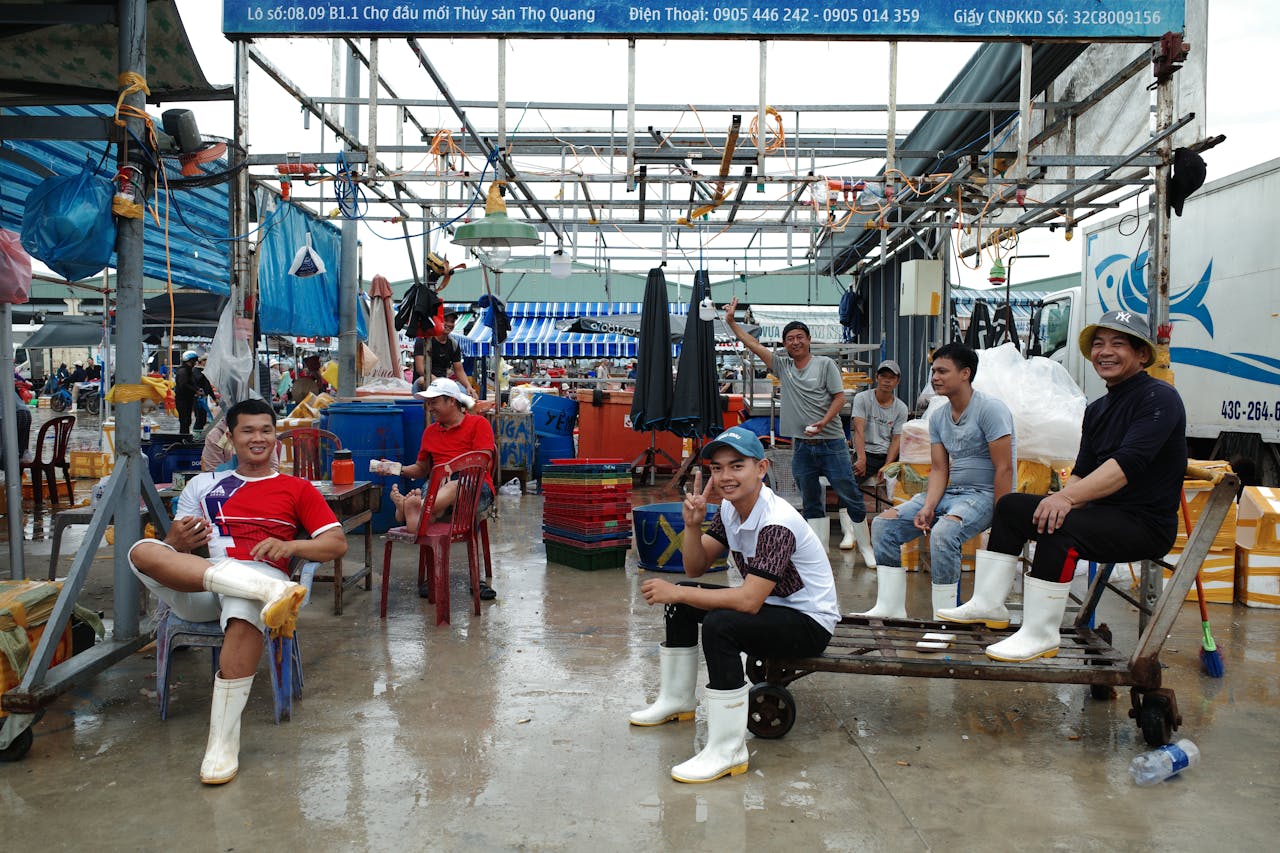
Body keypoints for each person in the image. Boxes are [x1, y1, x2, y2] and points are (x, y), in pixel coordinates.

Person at [940, 311, 1186, 661]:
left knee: (1060, 528)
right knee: (1011, 507)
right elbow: (1083, 470)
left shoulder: (1158, 398)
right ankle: (990, 604)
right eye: (1098, 344)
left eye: (1118, 344)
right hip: (1102, 514)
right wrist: (1062, 498)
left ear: (1142, 354)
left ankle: (1041, 633)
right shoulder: (1098, 408)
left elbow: (1125, 467)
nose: (1105, 352)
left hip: (1143, 524)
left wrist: (1066, 499)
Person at [128, 398, 348, 784]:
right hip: (205, 584)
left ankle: (222, 744)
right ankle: (260, 589)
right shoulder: (201, 485)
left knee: (245, 606)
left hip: (255, 582)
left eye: (266, 430)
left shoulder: (296, 489)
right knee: (141, 551)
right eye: (248, 430)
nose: (258, 438)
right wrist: (174, 540)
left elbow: (335, 543)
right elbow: (181, 553)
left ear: (276, 439)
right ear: (230, 438)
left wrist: (292, 547)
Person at [630, 427, 839, 783]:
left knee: (718, 624)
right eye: (717, 468)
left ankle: (728, 749)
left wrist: (679, 592)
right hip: (774, 609)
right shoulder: (730, 509)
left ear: (761, 468)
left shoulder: (777, 522)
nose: (725, 477)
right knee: (683, 598)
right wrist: (692, 527)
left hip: (808, 622)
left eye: (737, 466)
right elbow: (696, 566)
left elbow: (747, 599)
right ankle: (678, 699)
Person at [862, 342, 1015, 620]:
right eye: (934, 371)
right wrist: (928, 505)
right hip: (951, 493)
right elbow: (939, 469)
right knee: (884, 525)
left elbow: (1004, 468)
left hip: (984, 495)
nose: (935, 378)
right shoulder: (940, 417)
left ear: (965, 373)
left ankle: (943, 618)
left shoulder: (990, 410)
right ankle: (891, 606)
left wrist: (1003, 516)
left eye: (943, 371)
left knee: (944, 533)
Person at [724, 297, 873, 564]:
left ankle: (866, 548)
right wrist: (732, 322)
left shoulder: (825, 364)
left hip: (832, 443)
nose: (795, 342)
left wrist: (824, 422)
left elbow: (839, 398)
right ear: (784, 344)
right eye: (789, 338)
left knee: (849, 492)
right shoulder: (783, 367)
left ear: (808, 339)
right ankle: (820, 554)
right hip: (802, 446)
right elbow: (754, 345)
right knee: (811, 499)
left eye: (799, 337)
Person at [380, 377, 497, 599]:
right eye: (428, 403)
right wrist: (397, 469)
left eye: (434, 402)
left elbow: (484, 462)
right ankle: (420, 512)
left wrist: (451, 471)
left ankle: (413, 508)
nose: (430, 408)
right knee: (439, 492)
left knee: (454, 485)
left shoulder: (478, 424)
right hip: (437, 488)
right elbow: (422, 469)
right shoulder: (430, 432)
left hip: (474, 487)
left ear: (451, 401)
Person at [851, 358, 910, 512]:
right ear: (877, 377)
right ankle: (851, 528)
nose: (887, 381)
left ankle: (902, 517)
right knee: (848, 483)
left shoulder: (901, 408)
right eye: (883, 376)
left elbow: (896, 439)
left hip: (887, 454)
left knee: (912, 479)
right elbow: (858, 430)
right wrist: (861, 458)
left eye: (891, 378)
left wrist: (888, 465)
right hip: (866, 452)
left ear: (897, 381)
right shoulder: (862, 398)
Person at [413, 308, 473, 394]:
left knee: (464, 392)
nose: (449, 324)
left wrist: (468, 386)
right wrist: (438, 383)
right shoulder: (424, 340)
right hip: (424, 381)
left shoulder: (453, 344)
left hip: (443, 383)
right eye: (446, 320)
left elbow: (459, 370)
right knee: (423, 381)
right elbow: (420, 369)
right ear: (437, 321)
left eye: (452, 321)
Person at [174, 350, 201, 434]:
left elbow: (191, 383)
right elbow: (184, 385)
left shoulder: (189, 371)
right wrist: (196, 391)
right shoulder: (183, 372)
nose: (195, 363)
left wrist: (197, 389)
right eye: (193, 361)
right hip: (182, 400)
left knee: (187, 421)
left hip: (188, 400)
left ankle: (185, 437)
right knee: (184, 421)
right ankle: (183, 438)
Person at [193, 356, 217, 433]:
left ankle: (198, 433)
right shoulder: (195, 371)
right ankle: (196, 434)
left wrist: (214, 398)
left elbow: (208, 386)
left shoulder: (204, 371)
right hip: (197, 398)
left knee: (203, 418)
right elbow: (197, 381)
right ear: (202, 361)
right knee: (199, 417)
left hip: (203, 398)